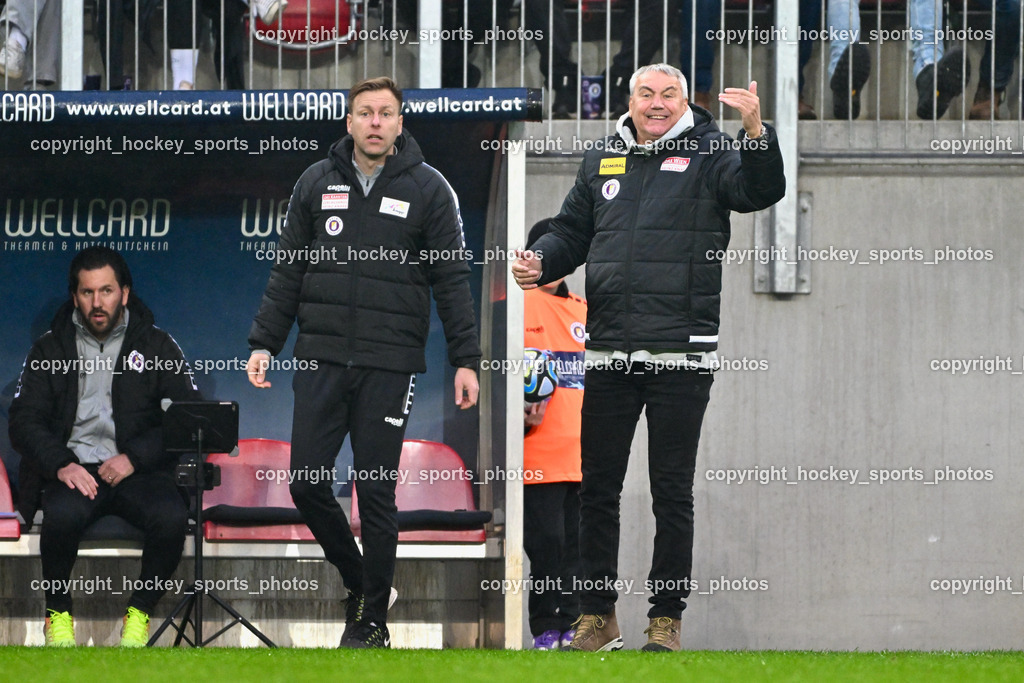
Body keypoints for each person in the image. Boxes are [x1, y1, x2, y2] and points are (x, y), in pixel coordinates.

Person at [512, 63, 785, 652]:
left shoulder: (714, 151)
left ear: (685, 101)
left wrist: (756, 132)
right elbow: (569, 232)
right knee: (598, 490)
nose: (656, 104)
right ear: (630, 99)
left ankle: (666, 618)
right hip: (607, 349)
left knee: (671, 491)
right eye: (646, 94)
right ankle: (596, 616)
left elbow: (761, 191)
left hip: (681, 353)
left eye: (669, 94)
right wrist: (541, 261)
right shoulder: (601, 157)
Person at [246, 76, 481, 649]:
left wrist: (465, 359)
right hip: (321, 358)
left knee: (376, 492)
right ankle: (362, 581)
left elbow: (452, 280)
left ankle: (371, 621)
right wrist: (263, 343)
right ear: (348, 122)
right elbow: (288, 272)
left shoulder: (428, 189)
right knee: (306, 483)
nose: (375, 122)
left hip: (389, 364)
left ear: (401, 124)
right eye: (365, 113)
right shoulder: (315, 180)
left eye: (386, 113)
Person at [9, 246, 200, 647]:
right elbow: (23, 421)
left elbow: (186, 418)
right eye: (87, 292)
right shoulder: (49, 349)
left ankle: (140, 614)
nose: (98, 303)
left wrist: (134, 458)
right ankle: (57, 615)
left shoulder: (158, 346)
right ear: (75, 296)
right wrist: (62, 464)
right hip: (76, 471)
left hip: (139, 473)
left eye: (107, 291)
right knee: (58, 516)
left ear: (125, 294)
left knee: (170, 516)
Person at [522, 218, 586, 650]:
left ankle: (578, 625)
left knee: (579, 550)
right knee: (546, 545)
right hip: (536, 453)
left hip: (585, 455)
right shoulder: (517, 306)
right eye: (544, 256)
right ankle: (546, 625)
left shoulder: (585, 310)